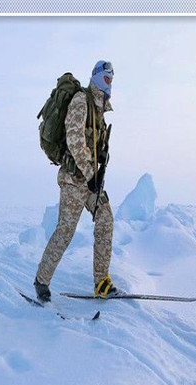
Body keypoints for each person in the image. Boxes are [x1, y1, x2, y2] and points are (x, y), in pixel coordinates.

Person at [34, 60, 117, 302]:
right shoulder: (82, 101)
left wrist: (101, 154)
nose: (109, 83)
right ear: (96, 77)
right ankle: (41, 280)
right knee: (65, 231)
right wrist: (92, 173)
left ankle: (101, 281)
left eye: (112, 79)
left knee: (105, 217)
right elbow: (74, 140)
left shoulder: (100, 109)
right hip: (74, 180)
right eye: (106, 78)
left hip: (90, 181)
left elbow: (90, 142)